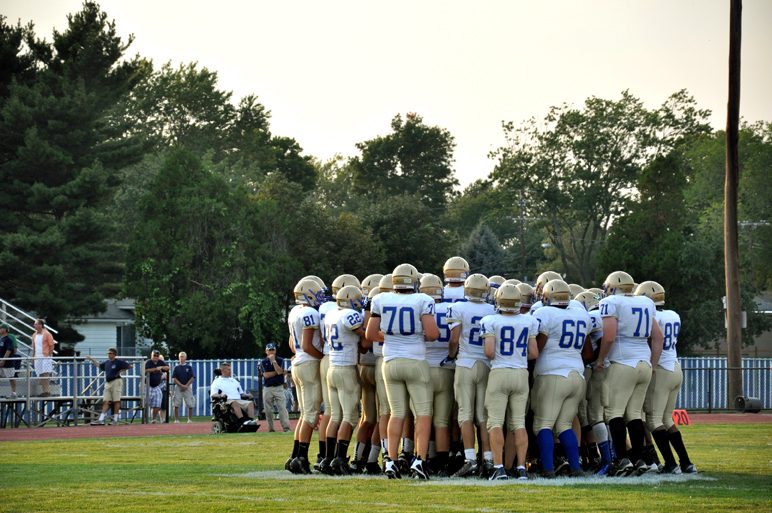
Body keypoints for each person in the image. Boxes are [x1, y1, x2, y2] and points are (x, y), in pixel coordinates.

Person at [366, 263, 439, 480]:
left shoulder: (380, 299)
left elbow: (371, 333)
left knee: (396, 413)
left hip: (390, 361)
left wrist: (392, 337)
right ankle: (419, 460)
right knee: (423, 414)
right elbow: (433, 333)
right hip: (415, 360)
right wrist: (419, 337)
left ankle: (391, 461)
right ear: (414, 281)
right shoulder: (423, 300)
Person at [596, 271, 664, 477]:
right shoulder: (645, 302)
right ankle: (639, 459)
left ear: (614, 287)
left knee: (613, 413)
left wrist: (600, 359)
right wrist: (652, 364)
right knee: (634, 414)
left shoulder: (611, 302)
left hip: (623, 362)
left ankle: (622, 460)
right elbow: (657, 338)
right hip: (643, 362)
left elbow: (608, 337)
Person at [531, 280, 594, 478]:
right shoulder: (581, 314)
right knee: (564, 425)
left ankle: (548, 469)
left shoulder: (545, 313)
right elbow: (587, 352)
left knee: (542, 424)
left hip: (553, 374)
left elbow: (537, 348)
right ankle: (575, 467)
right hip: (577, 374)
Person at [637, 281, 696, 474]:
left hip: (661, 368)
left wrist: (651, 364)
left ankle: (671, 464)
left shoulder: (651, 316)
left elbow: (651, 339)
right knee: (667, 419)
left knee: (654, 420)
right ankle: (686, 463)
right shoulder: (673, 315)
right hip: (675, 367)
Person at [481, 283, 539, 480]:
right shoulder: (528, 321)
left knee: (496, 422)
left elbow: (489, 352)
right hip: (521, 373)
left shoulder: (490, 320)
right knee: (519, 423)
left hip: (500, 371)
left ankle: (498, 468)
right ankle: (521, 468)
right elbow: (534, 353)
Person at [447, 273, 496, 478]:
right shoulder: (492, 310)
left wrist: (451, 355)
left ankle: (470, 460)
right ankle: (488, 459)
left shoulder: (458, 307)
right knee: (482, 415)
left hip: (466, 364)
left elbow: (455, 338)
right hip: (486, 365)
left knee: (465, 414)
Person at [286, 278, 325, 475]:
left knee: (304, 414)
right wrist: (324, 357)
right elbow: (309, 346)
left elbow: (292, 343)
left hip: (298, 363)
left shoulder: (295, 311)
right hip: (309, 363)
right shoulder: (310, 312)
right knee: (311, 414)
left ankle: (294, 456)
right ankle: (301, 459)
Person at [86, 348, 132, 425]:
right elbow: (99, 365)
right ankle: (101, 419)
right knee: (106, 401)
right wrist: (91, 359)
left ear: (114, 354)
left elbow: (129, 366)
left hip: (116, 381)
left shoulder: (118, 362)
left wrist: (120, 371)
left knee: (116, 401)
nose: (108, 355)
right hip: (108, 382)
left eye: (110, 353)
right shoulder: (107, 363)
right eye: (108, 353)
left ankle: (115, 420)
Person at [261, 342, 290, 432]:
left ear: (275, 351)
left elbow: (278, 370)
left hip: (278, 387)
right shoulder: (263, 362)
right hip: (268, 388)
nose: (271, 352)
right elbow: (266, 375)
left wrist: (274, 361)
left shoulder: (280, 360)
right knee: (268, 410)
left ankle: (286, 428)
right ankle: (271, 429)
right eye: (269, 350)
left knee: (282, 408)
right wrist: (280, 372)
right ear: (266, 351)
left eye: (273, 350)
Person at [145, 350, 170, 423]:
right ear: (151, 355)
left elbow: (168, 368)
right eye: (154, 355)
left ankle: (154, 419)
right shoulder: (148, 362)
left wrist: (161, 367)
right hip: (147, 385)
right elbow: (145, 370)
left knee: (157, 403)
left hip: (156, 385)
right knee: (146, 403)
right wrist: (155, 369)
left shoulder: (160, 362)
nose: (156, 357)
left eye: (157, 355)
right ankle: (146, 419)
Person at [32, 319, 55, 397]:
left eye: (35, 324)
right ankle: (44, 390)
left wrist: (49, 354)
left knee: (46, 373)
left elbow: (51, 345)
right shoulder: (34, 335)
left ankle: (47, 390)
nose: (34, 325)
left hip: (45, 356)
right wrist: (33, 357)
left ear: (40, 325)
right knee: (41, 373)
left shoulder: (47, 334)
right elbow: (34, 347)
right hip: (38, 356)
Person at [172, 351, 196, 423]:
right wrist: (181, 385)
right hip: (179, 387)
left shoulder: (189, 367)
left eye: (182, 356)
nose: (181, 358)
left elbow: (192, 377)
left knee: (190, 403)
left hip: (187, 387)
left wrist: (186, 386)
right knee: (176, 403)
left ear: (185, 358)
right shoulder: (176, 368)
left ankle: (189, 420)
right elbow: (174, 378)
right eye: (180, 356)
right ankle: (176, 420)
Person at [0, 324, 18, 397]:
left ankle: (14, 392)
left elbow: (9, 350)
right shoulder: (1, 339)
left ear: (4, 330)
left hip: (8, 362)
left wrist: (4, 360)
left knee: (11, 377)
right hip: (1, 361)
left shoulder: (8, 339)